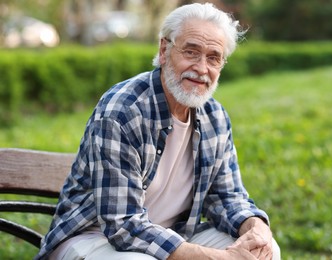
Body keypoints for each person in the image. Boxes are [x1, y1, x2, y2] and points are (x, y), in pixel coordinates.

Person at [35, 3, 280, 260]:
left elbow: (227, 197)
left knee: (264, 250)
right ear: (164, 50)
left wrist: (256, 226)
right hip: (94, 239)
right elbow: (123, 225)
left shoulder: (215, 117)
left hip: (173, 234)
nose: (201, 68)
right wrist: (217, 257)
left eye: (213, 57)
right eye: (191, 52)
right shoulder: (123, 111)